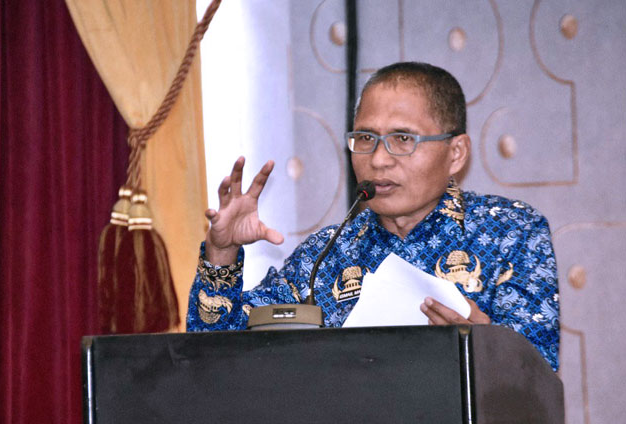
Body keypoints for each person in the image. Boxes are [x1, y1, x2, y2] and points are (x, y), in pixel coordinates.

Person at [186, 62, 560, 371]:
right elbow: (215, 360)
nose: (378, 159)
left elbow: (540, 380)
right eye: (365, 138)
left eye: (402, 139)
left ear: (456, 153)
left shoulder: (512, 233)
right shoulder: (325, 254)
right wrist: (222, 253)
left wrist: (489, 348)